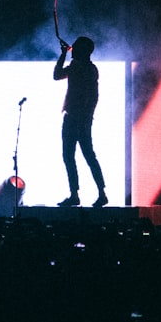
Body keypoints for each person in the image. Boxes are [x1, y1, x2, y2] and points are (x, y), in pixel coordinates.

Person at [53, 36, 107, 208]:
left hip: (77, 119)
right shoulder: (87, 68)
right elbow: (58, 76)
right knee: (82, 156)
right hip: (80, 118)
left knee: (79, 156)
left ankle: (83, 194)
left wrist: (63, 55)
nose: (72, 50)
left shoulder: (82, 68)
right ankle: (93, 193)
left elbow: (57, 75)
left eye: (75, 48)